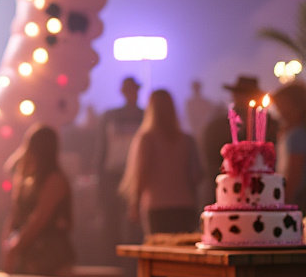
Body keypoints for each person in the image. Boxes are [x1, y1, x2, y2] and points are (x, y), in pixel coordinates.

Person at [120, 88, 203, 237]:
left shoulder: (146, 139)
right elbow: (196, 175)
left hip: (157, 205)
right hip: (185, 205)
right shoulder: (186, 139)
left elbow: (141, 174)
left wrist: (134, 203)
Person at [1, 124, 75, 276]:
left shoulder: (55, 180)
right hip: (28, 254)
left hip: (51, 257)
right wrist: (7, 245)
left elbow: (38, 220)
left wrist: (13, 248)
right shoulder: (27, 179)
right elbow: (14, 215)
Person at [95, 75, 144, 252]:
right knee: (111, 220)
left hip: (135, 176)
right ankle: (112, 258)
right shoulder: (111, 116)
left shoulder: (143, 116)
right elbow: (101, 149)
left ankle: (132, 262)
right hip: (112, 175)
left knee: (134, 223)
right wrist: (99, 179)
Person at [200, 74, 277, 176]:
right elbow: (210, 165)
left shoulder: (270, 126)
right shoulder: (217, 128)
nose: (245, 99)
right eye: (242, 94)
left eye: (249, 95)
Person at [271, 81, 306, 210]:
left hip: (298, 198)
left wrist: (285, 200)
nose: (279, 112)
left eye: (282, 106)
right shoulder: (291, 132)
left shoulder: (297, 135)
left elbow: (294, 174)